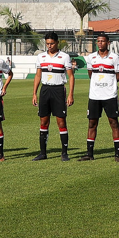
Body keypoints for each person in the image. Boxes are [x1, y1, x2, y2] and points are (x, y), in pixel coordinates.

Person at [78, 32, 119, 162]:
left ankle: (117, 154)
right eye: (98, 41)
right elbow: (91, 74)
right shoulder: (91, 57)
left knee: (113, 123)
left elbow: (118, 75)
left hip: (110, 96)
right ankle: (89, 154)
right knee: (92, 123)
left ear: (108, 43)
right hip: (95, 96)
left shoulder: (114, 57)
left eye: (102, 41)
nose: (100, 43)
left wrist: (109, 85)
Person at [31, 32, 75, 161]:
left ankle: (64, 153)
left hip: (58, 90)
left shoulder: (64, 57)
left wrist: (70, 94)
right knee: (43, 121)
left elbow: (71, 76)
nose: (49, 46)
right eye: (47, 44)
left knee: (61, 121)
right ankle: (43, 153)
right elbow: (38, 75)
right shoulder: (41, 57)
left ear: (57, 43)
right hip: (45, 90)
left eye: (52, 43)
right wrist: (34, 93)